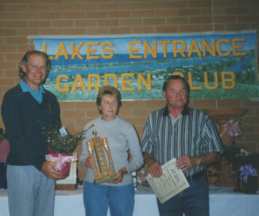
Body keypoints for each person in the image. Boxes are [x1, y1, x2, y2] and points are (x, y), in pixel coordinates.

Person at [141, 75, 224, 216]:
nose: (179, 96)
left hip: (196, 187)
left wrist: (197, 160)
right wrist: (151, 162)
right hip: (166, 185)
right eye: (173, 91)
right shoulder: (153, 119)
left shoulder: (201, 118)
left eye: (182, 91)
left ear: (188, 93)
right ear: (164, 94)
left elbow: (216, 152)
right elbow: (146, 151)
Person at [1, 50, 66, 216]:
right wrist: (41, 164)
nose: (39, 71)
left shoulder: (51, 99)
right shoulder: (13, 97)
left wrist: (63, 156)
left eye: (43, 67)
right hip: (23, 168)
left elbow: (57, 133)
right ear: (23, 67)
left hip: (48, 168)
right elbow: (16, 138)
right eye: (34, 66)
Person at [79, 86, 144, 216]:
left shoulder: (128, 128)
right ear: (99, 105)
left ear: (118, 105)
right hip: (94, 186)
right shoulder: (89, 128)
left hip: (122, 186)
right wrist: (86, 161)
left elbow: (139, 159)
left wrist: (124, 170)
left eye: (114, 102)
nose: (111, 106)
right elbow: (82, 157)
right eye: (106, 102)